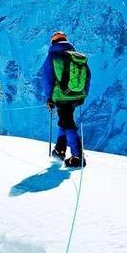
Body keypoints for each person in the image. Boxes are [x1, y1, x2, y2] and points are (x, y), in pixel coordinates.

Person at [42, 31, 91, 167]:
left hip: (61, 96)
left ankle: (77, 156)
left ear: (53, 42)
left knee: (67, 122)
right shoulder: (77, 57)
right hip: (76, 95)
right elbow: (87, 77)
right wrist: (83, 94)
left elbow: (47, 80)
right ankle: (60, 150)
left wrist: (49, 99)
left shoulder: (52, 56)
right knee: (65, 119)